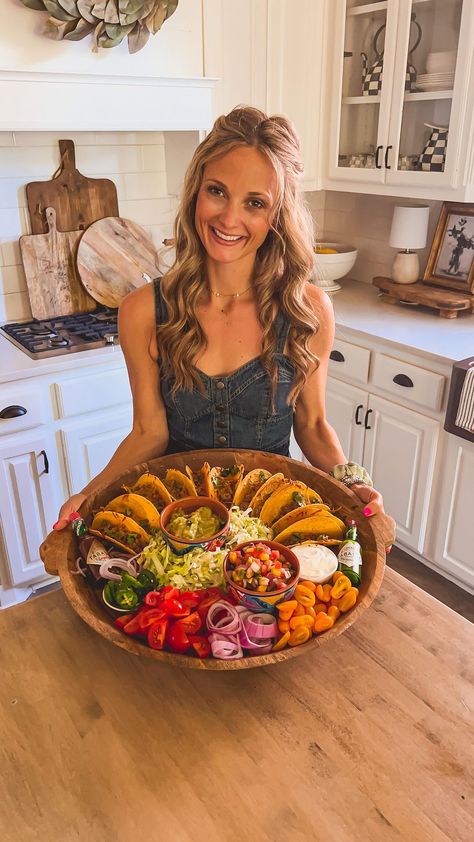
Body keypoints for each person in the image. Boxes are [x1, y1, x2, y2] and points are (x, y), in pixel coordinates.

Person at [53, 106, 387, 532]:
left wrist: (351, 481)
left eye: (254, 203)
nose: (229, 219)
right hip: (176, 529)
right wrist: (88, 494)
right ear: (196, 191)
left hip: (271, 532)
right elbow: (147, 432)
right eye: (217, 191)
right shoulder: (143, 311)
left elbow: (313, 423)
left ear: (277, 215)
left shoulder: (307, 311)